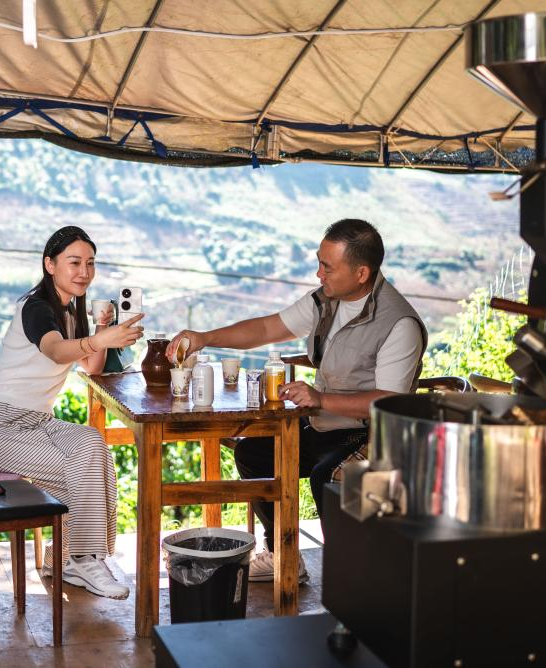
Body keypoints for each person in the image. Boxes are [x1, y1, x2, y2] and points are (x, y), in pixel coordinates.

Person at [166, 219, 426, 582]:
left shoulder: (399, 323)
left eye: (328, 267)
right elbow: (266, 328)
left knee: (326, 476)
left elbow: (388, 401)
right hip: (324, 422)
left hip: (374, 435)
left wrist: (319, 398)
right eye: (320, 263)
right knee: (254, 453)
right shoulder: (326, 301)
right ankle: (283, 555)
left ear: (362, 273)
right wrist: (205, 337)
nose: (319, 274)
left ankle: (355, 576)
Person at [0, 225, 144, 599]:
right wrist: (99, 338)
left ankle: (66, 555)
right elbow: (54, 350)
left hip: (37, 423)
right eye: (74, 262)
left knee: (92, 444)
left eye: (90, 263)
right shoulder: (36, 307)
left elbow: (91, 366)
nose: (84, 272)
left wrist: (101, 327)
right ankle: (82, 558)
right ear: (50, 264)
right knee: (80, 470)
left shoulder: (71, 312)